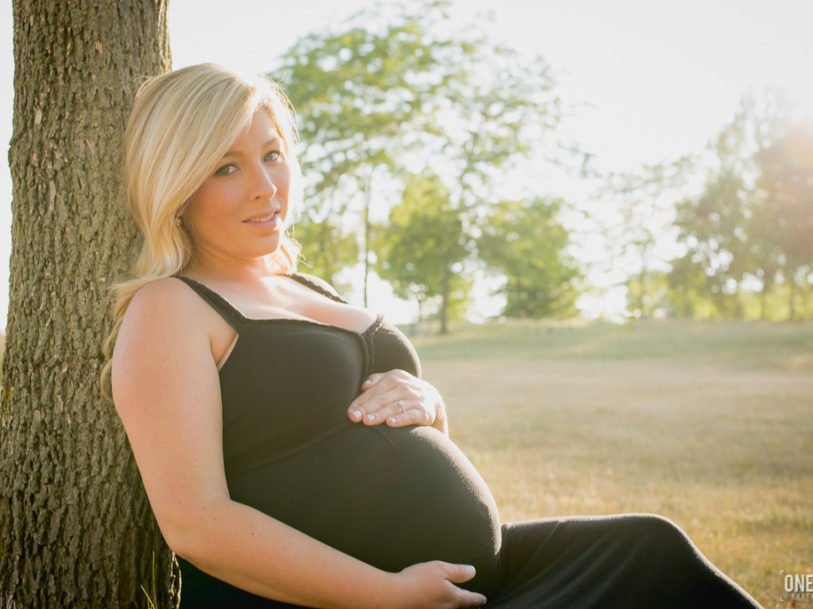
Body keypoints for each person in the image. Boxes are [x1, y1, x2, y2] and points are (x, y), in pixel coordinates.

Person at [104, 63, 762, 609]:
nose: (265, 186)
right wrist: (385, 593)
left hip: (468, 578)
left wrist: (428, 408)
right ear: (178, 185)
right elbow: (195, 522)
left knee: (649, 550)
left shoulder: (311, 289)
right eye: (227, 167)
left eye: (271, 155)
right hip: (360, 600)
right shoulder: (171, 306)